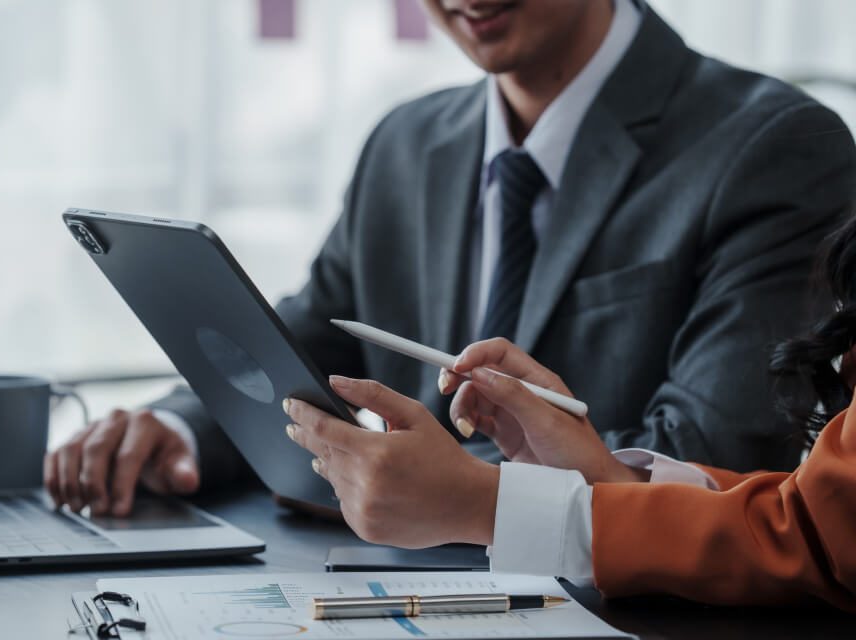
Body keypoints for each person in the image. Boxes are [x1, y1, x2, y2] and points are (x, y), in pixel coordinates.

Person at [45, 0, 856, 517]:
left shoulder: (776, 148)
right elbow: (311, 338)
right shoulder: (406, 144)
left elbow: (714, 458)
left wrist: (445, 489)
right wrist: (180, 425)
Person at [284, 214, 856, 609]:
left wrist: (488, 502)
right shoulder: (404, 136)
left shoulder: (765, 140)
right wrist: (611, 481)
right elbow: (815, 511)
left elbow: (821, 539)